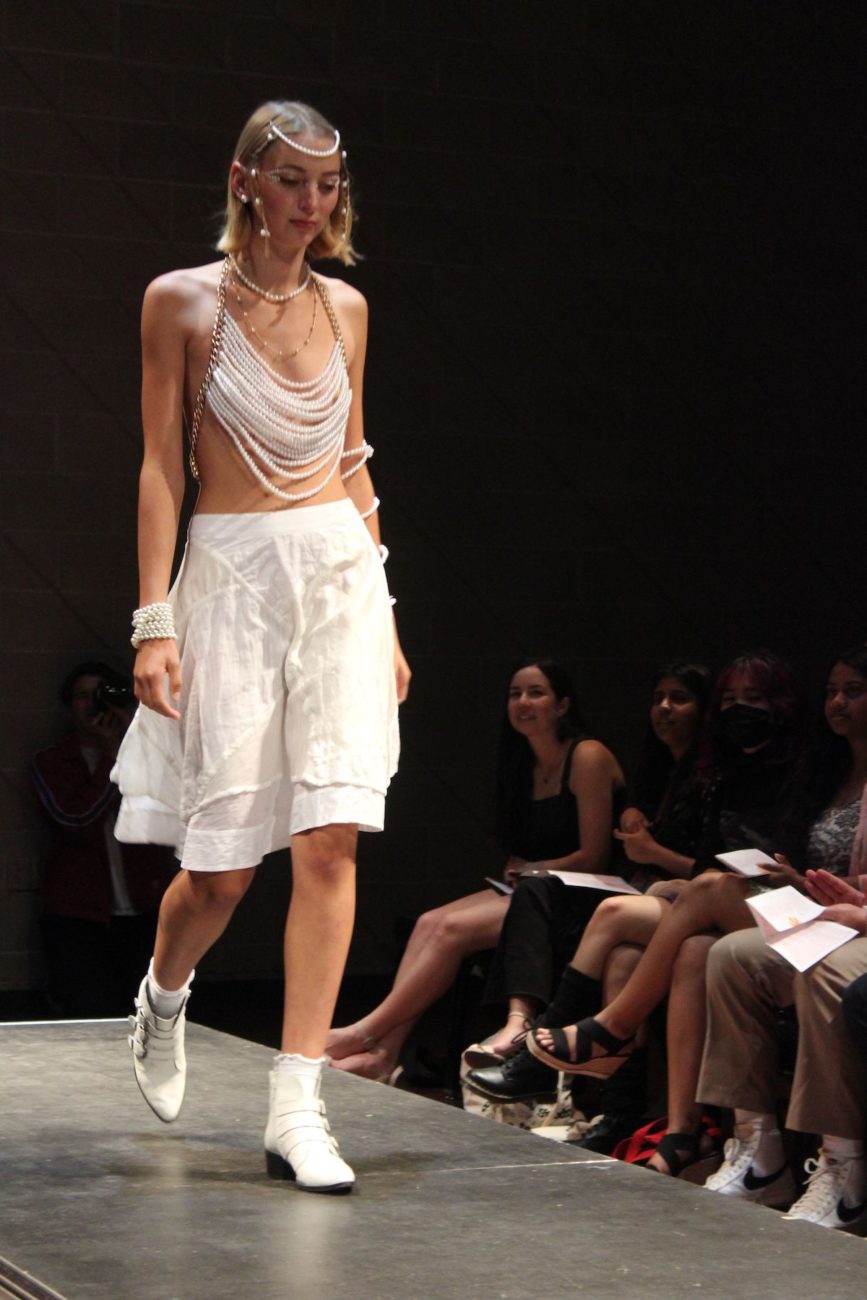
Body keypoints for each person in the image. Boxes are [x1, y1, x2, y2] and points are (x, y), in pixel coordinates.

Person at [111, 100, 409, 1195]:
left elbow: (354, 464)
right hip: (232, 579)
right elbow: (161, 465)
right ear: (245, 180)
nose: (311, 203)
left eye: (327, 185)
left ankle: (297, 1102)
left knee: (331, 839)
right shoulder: (181, 301)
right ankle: (163, 994)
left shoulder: (346, 308)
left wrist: (387, 614)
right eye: (291, 180)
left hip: (336, 577)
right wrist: (153, 618)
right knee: (223, 873)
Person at [488, 650, 812, 1174]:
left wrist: (670, 864)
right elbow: (711, 855)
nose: (740, 710)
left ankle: (601, 1031)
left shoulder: (811, 767)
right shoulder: (724, 769)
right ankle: (669, 1130)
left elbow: (784, 857)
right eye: (730, 699)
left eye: (753, 698)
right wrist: (674, 874)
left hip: (796, 909)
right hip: (727, 903)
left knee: (656, 901)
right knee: (643, 941)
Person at [325, 658, 625, 1081]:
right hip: (536, 887)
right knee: (429, 923)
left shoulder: (587, 755)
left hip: (581, 893)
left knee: (450, 932)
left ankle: (365, 1032)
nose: (522, 702)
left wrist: (535, 868)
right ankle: (384, 1056)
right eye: (515, 694)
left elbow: (594, 855)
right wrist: (525, 868)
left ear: (562, 705)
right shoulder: (523, 763)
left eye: (536, 693)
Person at [465, 661, 710, 1113]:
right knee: (438, 923)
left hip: (675, 898)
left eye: (679, 699)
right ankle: (617, 1113)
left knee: (574, 904)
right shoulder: (660, 770)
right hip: (650, 894)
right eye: (658, 699)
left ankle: (538, 1054)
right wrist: (635, 814)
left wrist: (653, 852)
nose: (664, 708)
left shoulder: (597, 756)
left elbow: (711, 862)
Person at [698, 648, 867, 1227]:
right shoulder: (828, 768)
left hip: (855, 929)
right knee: (730, 955)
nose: (838, 702)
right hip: (843, 915)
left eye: (854, 691)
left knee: (823, 968)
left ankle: (844, 1168)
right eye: (832, 691)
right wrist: (824, 889)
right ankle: (760, 1155)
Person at [32, 662, 174, 1017]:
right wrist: (112, 755)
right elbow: (74, 821)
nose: (93, 704)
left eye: (101, 694)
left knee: (146, 1014)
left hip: (145, 908)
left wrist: (131, 736)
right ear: (68, 706)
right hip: (78, 914)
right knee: (85, 1015)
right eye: (83, 696)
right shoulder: (52, 761)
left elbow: (171, 810)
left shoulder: (147, 756)